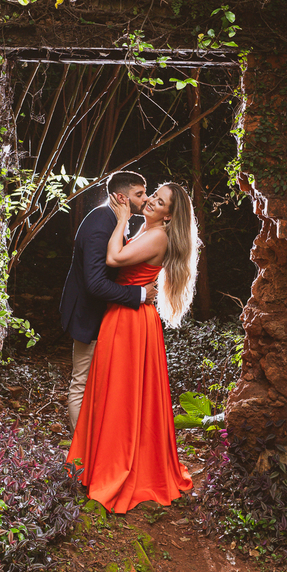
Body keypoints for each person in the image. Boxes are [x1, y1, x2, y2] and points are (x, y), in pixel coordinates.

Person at [67, 182, 199, 514]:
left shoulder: (156, 236)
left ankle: (119, 467)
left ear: (170, 214)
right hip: (124, 317)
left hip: (132, 322)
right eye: (153, 195)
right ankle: (102, 462)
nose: (153, 201)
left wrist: (123, 218)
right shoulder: (147, 228)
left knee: (122, 396)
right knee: (114, 394)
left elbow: (114, 258)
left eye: (161, 201)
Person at [59, 171, 158, 431]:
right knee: (81, 382)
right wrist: (140, 294)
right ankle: (80, 454)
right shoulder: (100, 224)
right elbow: (95, 284)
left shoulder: (115, 220)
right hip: (88, 315)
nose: (145, 199)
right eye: (139, 194)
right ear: (121, 197)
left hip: (106, 316)